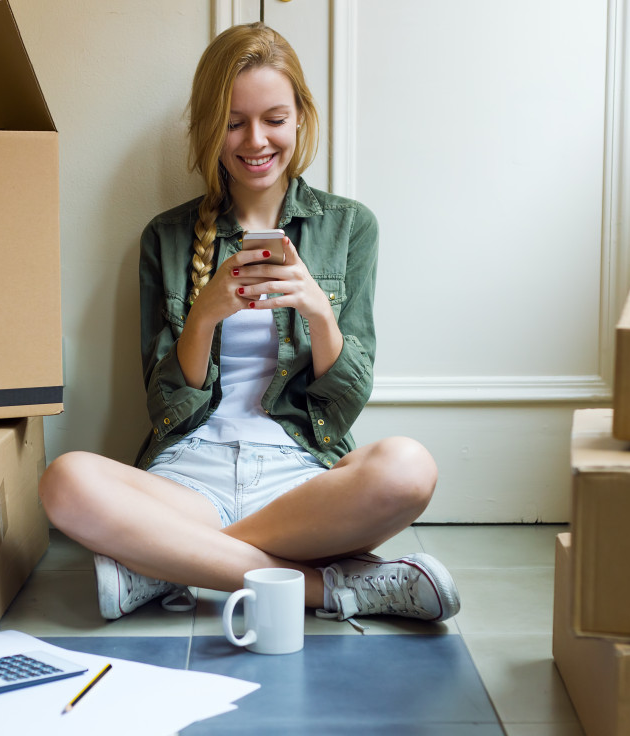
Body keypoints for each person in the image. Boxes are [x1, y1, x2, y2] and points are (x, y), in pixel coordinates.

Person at [38, 22, 460, 627]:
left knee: (410, 466)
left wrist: (316, 307)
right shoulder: (168, 236)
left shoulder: (350, 228)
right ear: (211, 128)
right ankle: (331, 588)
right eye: (234, 122)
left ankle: (168, 564)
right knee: (64, 479)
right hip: (189, 477)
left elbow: (344, 406)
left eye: (274, 119)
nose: (255, 140)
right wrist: (205, 313)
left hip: (298, 482)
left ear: (300, 120)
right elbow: (164, 404)